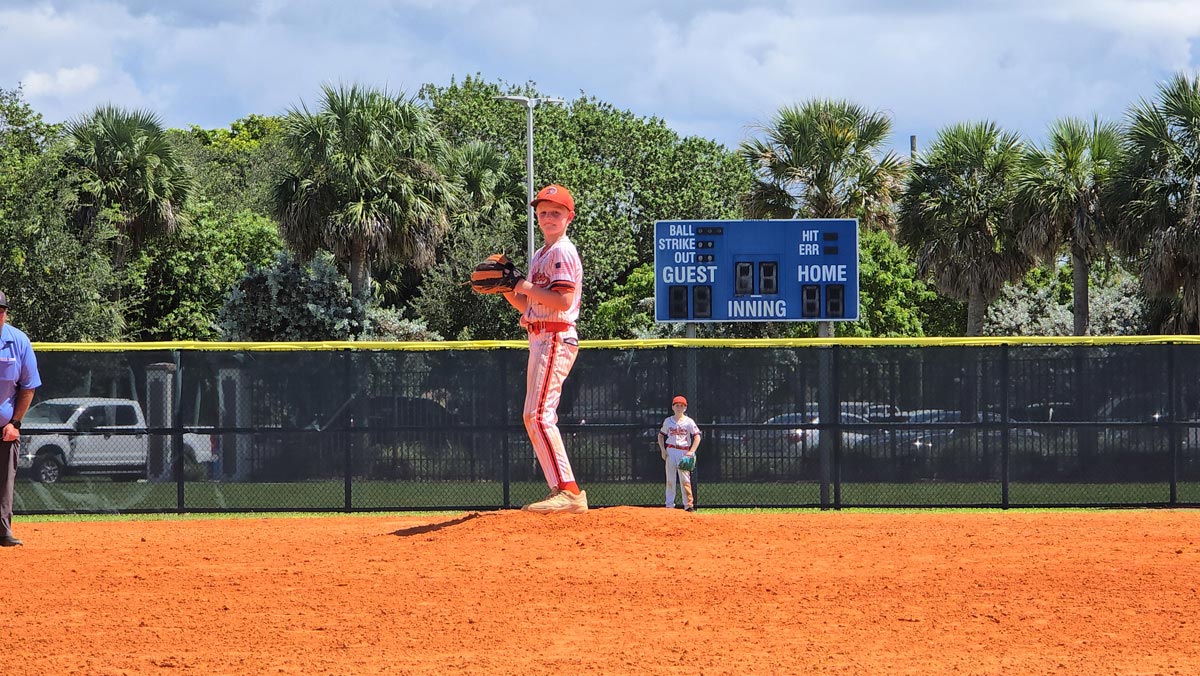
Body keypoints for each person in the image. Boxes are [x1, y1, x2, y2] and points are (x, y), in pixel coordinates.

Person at [503, 184, 587, 514]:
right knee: (534, 415)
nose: (548, 217)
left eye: (556, 212)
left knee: (538, 415)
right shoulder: (541, 254)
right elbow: (529, 305)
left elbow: (563, 301)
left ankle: (569, 492)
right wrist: (507, 288)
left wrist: (522, 285)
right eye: (543, 212)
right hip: (540, 335)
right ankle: (561, 489)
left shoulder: (563, 251)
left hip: (555, 336)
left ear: (569, 217)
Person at [0, 291, 41, 547]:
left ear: (5, 313)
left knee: (4, 483)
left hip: (5, 428)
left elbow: (28, 386)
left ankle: (2, 532)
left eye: (1, 311)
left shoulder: (18, 341)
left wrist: (15, 423)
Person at [658, 395, 700, 511]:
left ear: (685, 408)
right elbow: (661, 435)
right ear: (673, 407)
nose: (679, 408)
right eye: (677, 405)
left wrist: (691, 451)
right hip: (671, 450)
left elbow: (697, 436)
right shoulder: (668, 421)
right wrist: (663, 450)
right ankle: (669, 505)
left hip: (684, 451)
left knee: (685, 480)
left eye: (682, 406)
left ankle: (688, 505)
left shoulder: (688, 422)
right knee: (670, 479)